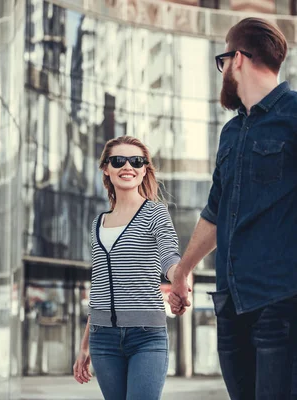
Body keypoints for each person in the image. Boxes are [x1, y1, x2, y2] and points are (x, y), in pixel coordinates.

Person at [168, 17, 297, 400]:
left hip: (286, 302)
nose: (223, 72)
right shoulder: (231, 132)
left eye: (223, 63)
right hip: (233, 304)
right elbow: (215, 212)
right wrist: (182, 272)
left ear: (238, 60)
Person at [73, 135, 181, 400]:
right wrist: (85, 346)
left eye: (136, 161)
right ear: (106, 169)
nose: (127, 166)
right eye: (118, 160)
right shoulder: (98, 223)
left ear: (144, 170)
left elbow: (169, 257)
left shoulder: (156, 214)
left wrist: (179, 279)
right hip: (103, 341)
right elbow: (99, 286)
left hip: (147, 337)